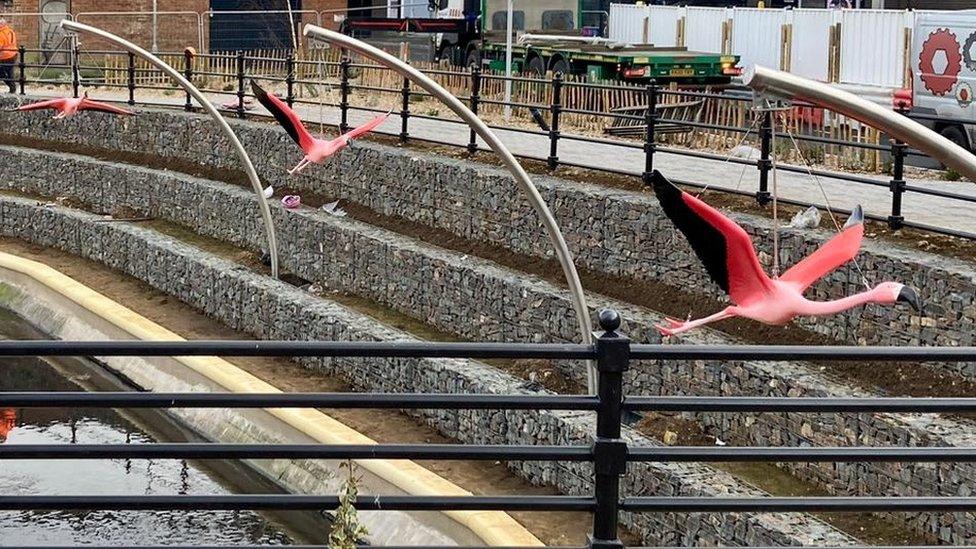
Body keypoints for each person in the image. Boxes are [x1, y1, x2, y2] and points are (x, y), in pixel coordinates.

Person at [0, 17, 18, 93]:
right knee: (10, 72)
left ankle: (12, 86)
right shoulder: (11, 31)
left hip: (5, 56)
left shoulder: (0, 34)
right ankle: (12, 88)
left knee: (1, 73)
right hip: (13, 54)